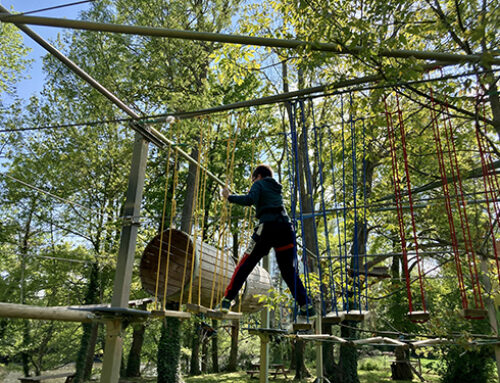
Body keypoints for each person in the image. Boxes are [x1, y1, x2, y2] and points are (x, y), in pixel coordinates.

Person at [219, 164, 315, 318]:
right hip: (285, 229)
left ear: (258, 176)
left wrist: (229, 196)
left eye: (253, 179)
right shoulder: (275, 189)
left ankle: (226, 300)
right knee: (289, 271)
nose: (253, 182)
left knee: (246, 264)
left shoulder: (259, 183)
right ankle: (306, 305)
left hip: (268, 228)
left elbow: (250, 199)